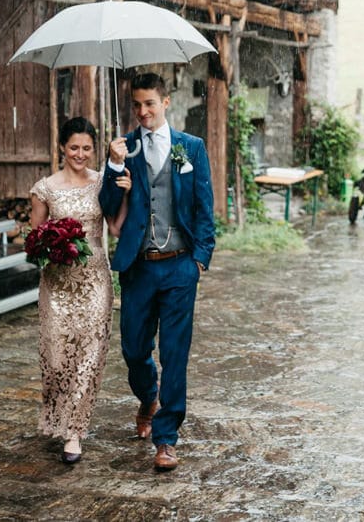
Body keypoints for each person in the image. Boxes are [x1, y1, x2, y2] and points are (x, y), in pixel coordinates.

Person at [99, 72, 215, 472]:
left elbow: (204, 205)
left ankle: (167, 438)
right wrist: (115, 169)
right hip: (139, 267)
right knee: (133, 349)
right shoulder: (123, 148)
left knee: (175, 354)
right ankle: (148, 396)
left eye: (149, 103)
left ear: (166, 102)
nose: (142, 111)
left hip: (181, 266)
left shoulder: (191, 148)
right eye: (136, 105)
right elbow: (106, 204)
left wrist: (201, 258)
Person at [29, 116, 130, 465]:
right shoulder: (46, 188)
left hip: (95, 283)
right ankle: (57, 416)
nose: (80, 154)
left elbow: (115, 228)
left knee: (88, 357)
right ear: (62, 147)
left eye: (87, 148)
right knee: (57, 359)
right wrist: (53, 246)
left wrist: (126, 195)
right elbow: (34, 239)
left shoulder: (104, 183)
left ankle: (74, 431)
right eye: (74, 147)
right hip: (57, 284)